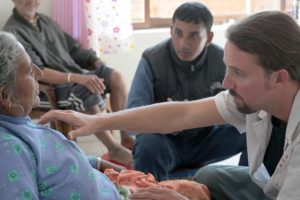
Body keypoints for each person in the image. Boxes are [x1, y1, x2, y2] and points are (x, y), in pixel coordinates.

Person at [39, 10, 300, 200]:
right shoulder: (256, 98)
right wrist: (98, 121)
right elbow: (183, 113)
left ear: (279, 78)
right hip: (269, 182)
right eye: (227, 69)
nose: (225, 81)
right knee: (209, 176)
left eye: (238, 73)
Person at [3, 0, 134, 166]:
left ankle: (126, 138)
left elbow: (74, 48)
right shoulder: (13, 31)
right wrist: (77, 78)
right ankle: (113, 147)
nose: (31, 1)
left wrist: (96, 62)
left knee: (116, 77)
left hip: (75, 74)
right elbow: (38, 70)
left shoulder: (45, 21)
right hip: (51, 87)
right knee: (86, 90)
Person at [127, 2, 247, 180]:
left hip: (207, 141)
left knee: (253, 126)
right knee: (146, 143)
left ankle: (247, 187)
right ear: (170, 30)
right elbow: (133, 117)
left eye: (193, 35)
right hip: (166, 143)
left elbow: (243, 108)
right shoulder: (152, 59)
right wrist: (167, 119)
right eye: (178, 33)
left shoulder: (223, 61)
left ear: (209, 37)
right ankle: (149, 192)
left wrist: (197, 118)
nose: (183, 44)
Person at [0, 31, 125, 199]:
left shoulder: (18, 124)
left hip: (116, 188)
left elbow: (54, 165)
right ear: (6, 96)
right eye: (30, 71)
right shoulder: (7, 151)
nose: (39, 73)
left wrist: (100, 164)